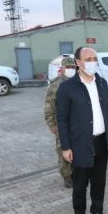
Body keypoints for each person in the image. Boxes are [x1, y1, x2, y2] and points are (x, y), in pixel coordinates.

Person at [56, 47, 108, 214]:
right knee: (80, 184)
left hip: (101, 142)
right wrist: (66, 147)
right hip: (80, 144)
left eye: (95, 58)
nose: (93, 62)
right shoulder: (67, 87)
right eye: (88, 59)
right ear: (78, 63)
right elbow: (62, 119)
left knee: (99, 182)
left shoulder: (102, 84)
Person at [44, 56, 77, 188]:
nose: (70, 69)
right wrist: (51, 124)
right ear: (62, 69)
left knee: (77, 150)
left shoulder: (78, 82)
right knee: (62, 149)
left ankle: (76, 173)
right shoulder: (56, 84)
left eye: (72, 67)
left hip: (77, 125)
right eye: (68, 67)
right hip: (61, 125)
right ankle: (67, 176)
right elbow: (49, 105)